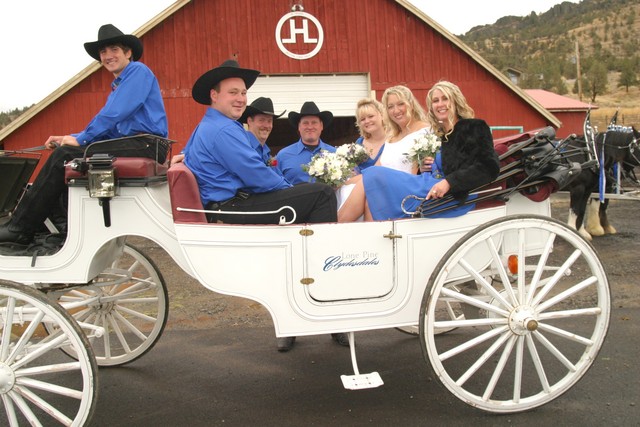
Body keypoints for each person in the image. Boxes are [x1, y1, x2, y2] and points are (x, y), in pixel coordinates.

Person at [181, 59, 347, 351]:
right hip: (234, 208)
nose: (241, 98)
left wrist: (292, 191)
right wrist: (292, 190)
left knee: (302, 218)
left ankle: (298, 309)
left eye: (243, 92)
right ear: (214, 95)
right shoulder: (223, 130)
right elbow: (257, 176)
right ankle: (326, 280)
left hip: (231, 204)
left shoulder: (212, 126)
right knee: (320, 194)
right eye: (233, 92)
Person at [0, 24, 168, 245]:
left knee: (65, 155)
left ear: (128, 53)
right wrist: (67, 137)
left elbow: (113, 114)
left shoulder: (138, 72)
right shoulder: (120, 83)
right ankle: (65, 228)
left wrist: (80, 140)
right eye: (103, 52)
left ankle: (20, 227)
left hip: (146, 143)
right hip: (135, 142)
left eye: (114, 49)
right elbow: (110, 127)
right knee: (66, 154)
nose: (108, 56)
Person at [338, 81, 500, 222]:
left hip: (452, 193)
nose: (440, 104)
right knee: (373, 187)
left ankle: (333, 227)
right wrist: (425, 166)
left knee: (374, 174)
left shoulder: (473, 127)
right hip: (428, 184)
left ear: (456, 101)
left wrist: (449, 182)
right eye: (435, 101)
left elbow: (489, 167)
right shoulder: (438, 133)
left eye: (445, 99)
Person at [275, 101, 336, 185]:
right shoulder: (283, 156)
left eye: (314, 122)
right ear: (299, 127)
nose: (310, 127)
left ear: (321, 126)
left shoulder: (335, 155)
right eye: (305, 123)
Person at [377, 85, 431, 174]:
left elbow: (416, 174)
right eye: (390, 107)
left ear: (411, 105)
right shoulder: (391, 138)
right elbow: (375, 169)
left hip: (408, 185)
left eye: (400, 104)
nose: (396, 111)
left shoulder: (425, 132)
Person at [239, 97, 285, 167]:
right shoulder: (242, 146)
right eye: (261, 120)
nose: (266, 125)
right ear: (250, 121)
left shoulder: (266, 152)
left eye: (269, 121)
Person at [353, 98, 387, 172]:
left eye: (371, 116)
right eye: (362, 119)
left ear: (381, 115)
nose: (367, 121)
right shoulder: (359, 143)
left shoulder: (393, 141)